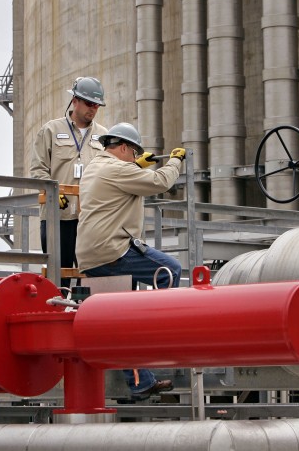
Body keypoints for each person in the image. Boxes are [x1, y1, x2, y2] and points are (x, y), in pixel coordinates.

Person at [75, 121, 185, 400]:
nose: (135, 158)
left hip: (91, 256)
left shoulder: (95, 167)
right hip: (113, 251)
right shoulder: (117, 168)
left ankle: (141, 383)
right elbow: (161, 182)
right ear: (123, 148)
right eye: (134, 153)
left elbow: (126, 177)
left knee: (118, 322)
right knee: (169, 271)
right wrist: (174, 162)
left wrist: (138, 165)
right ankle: (158, 333)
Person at [29, 77, 108, 284]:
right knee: (58, 276)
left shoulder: (104, 136)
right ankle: (57, 309)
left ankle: (87, 313)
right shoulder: (51, 131)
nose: (93, 109)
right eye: (89, 104)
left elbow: (113, 172)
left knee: (91, 276)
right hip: (58, 218)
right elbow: (38, 170)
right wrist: (54, 195)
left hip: (90, 219)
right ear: (75, 101)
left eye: (97, 105)